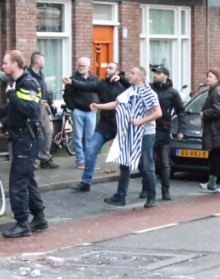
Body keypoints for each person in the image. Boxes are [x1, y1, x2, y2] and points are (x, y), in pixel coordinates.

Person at [0, 50, 47, 238]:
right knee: (27, 179)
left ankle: (22, 223)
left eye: (5, 63)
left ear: (15, 64)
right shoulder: (18, 83)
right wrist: (4, 123)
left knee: (17, 182)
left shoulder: (28, 83)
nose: (2, 66)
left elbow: (30, 109)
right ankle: (39, 218)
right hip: (23, 137)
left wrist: (12, 95)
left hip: (28, 139)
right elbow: (17, 112)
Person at [98, 66, 162, 208]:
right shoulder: (130, 90)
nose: (129, 75)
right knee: (125, 163)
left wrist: (140, 121)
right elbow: (118, 103)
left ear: (140, 77)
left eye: (132, 73)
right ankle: (120, 196)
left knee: (146, 165)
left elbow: (158, 113)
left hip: (145, 133)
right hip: (130, 132)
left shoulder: (148, 93)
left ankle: (151, 196)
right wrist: (99, 106)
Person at [0, 53, 59, 170]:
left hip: (40, 110)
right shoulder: (22, 78)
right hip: (27, 123)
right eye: (43, 61)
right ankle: (34, 160)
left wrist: (50, 101)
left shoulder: (34, 78)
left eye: (5, 63)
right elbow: (2, 76)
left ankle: (44, 158)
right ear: (38, 62)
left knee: (47, 133)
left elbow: (41, 95)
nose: (3, 66)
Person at [65, 63, 130, 193]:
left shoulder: (124, 85)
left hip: (121, 125)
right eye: (107, 67)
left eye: (110, 68)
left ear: (117, 72)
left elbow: (136, 87)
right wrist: (71, 82)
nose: (107, 70)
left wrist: (122, 78)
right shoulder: (101, 84)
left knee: (126, 158)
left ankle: (143, 186)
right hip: (105, 125)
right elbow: (87, 86)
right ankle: (85, 182)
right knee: (91, 150)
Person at [149, 66, 188, 200]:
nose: (155, 75)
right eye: (155, 73)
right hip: (149, 129)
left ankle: (165, 190)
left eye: (158, 73)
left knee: (165, 162)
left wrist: (181, 129)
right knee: (148, 161)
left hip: (164, 130)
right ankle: (146, 188)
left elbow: (180, 111)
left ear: (166, 76)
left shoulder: (172, 92)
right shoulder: (149, 89)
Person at [63, 57, 99, 169]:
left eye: (83, 66)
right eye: (79, 65)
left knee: (90, 137)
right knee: (78, 137)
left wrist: (98, 104)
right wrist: (73, 108)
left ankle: (89, 160)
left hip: (92, 112)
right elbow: (67, 95)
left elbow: (100, 91)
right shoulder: (72, 79)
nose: (81, 68)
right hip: (78, 111)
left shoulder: (95, 78)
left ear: (89, 67)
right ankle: (80, 160)